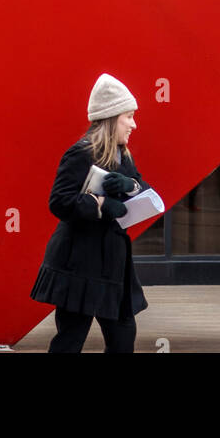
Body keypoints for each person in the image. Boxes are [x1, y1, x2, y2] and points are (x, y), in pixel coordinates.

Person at [30, 73, 151, 353]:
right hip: (80, 265)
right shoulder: (81, 153)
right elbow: (59, 202)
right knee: (70, 341)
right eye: (128, 116)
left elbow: (144, 189)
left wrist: (131, 186)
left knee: (123, 340)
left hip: (114, 265)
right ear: (111, 117)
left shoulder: (124, 154)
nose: (134, 124)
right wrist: (99, 205)